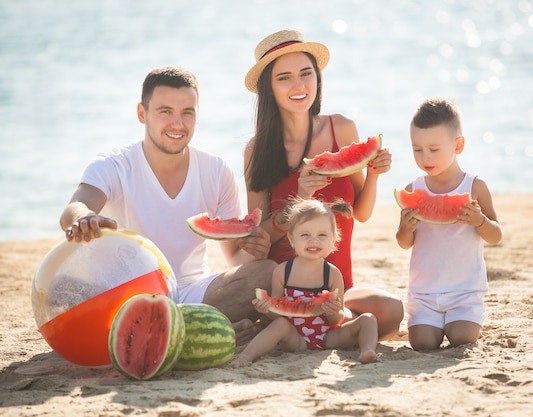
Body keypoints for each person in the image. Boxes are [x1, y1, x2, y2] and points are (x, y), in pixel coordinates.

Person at [59, 66, 275, 343]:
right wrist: (83, 217)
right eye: (165, 111)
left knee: (267, 273)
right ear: (142, 113)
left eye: (188, 112)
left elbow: (235, 257)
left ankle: (163, 330)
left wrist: (255, 251)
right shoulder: (113, 166)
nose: (178, 123)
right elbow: (74, 207)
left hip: (192, 291)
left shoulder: (216, 171)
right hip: (129, 291)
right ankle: (190, 330)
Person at [243, 29, 403, 339]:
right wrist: (300, 198)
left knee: (393, 310)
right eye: (284, 77)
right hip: (285, 287)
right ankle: (310, 327)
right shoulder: (257, 149)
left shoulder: (341, 128)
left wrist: (374, 174)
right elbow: (260, 238)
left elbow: (361, 212)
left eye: (306, 74)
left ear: (318, 78)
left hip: (336, 285)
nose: (299, 85)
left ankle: (318, 327)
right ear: (269, 88)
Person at [395, 97, 503, 351]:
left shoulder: (475, 187)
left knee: (462, 338)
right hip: (424, 293)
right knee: (422, 343)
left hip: (465, 292)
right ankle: (431, 322)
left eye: (434, 149)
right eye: (417, 149)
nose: (425, 157)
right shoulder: (414, 189)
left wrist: (480, 221)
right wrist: (404, 230)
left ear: (458, 145)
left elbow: (496, 235)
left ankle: (461, 320)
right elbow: (404, 243)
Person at [231, 198, 380, 366]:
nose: (313, 241)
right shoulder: (282, 272)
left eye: (322, 235)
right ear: (292, 239)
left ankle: (367, 350)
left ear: (333, 240)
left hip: (329, 337)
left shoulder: (332, 274)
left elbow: (336, 320)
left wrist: (332, 312)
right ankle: (245, 357)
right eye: (305, 235)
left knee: (368, 319)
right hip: (296, 337)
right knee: (280, 325)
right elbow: (278, 314)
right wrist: (266, 309)